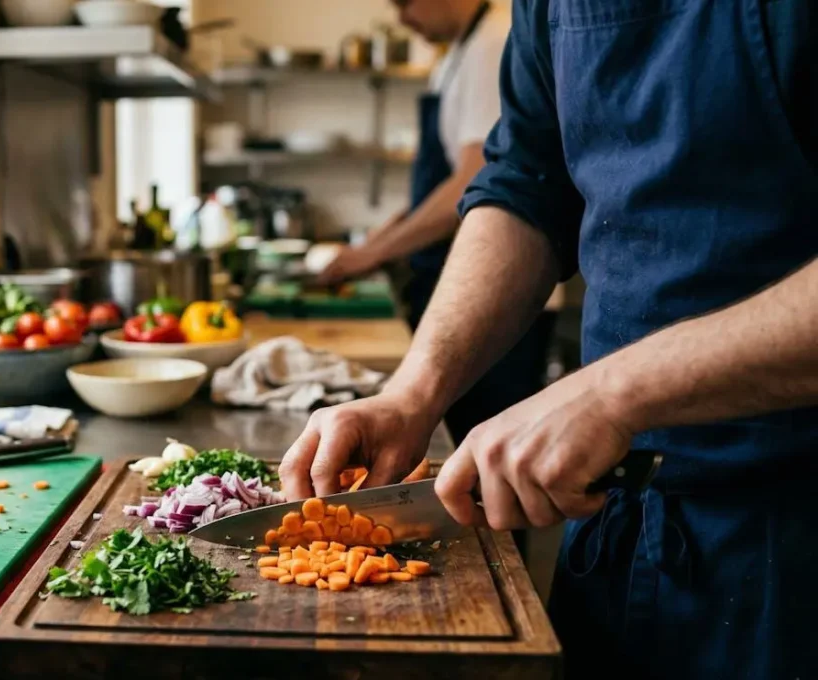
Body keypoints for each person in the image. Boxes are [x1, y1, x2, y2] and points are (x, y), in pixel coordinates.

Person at [282, 0, 818, 677]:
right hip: (619, 524)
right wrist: (411, 395)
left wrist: (613, 392)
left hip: (791, 537)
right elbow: (527, 186)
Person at [321, 0, 553, 443]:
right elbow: (443, 186)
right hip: (462, 281)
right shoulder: (456, 56)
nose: (402, 19)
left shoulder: (491, 44)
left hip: (500, 290)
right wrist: (380, 238)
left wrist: (374, 252)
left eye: (405, 4)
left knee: (483, 454)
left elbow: (474, 181)